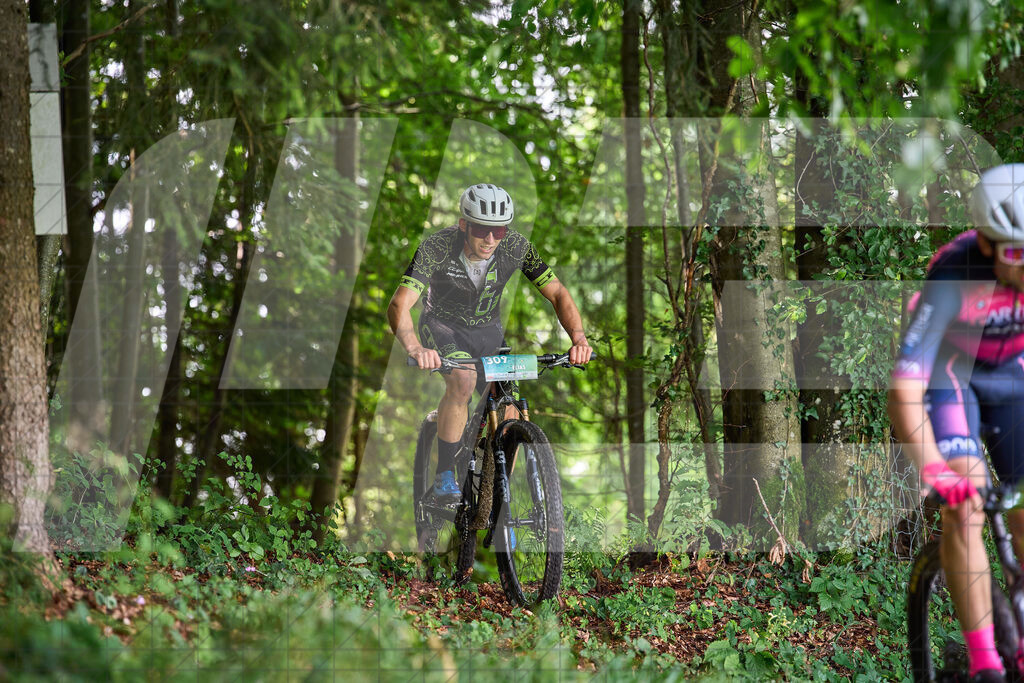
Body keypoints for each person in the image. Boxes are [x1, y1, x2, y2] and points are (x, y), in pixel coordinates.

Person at [889, 164, 1024, 682]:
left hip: (1014, 378)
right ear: (986, 242)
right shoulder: (952, 275)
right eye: (1015, 253)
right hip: (953, 379)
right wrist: (936, 471)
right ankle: (985, 663)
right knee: (965, 506)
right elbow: (905, 390)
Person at [388, 183, 591, 505]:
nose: (491, 239)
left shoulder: (516, 246)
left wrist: (578, 339)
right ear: (464, 225)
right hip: (443, 326)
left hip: (488, 331)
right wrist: (415, 348)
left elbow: (557, 293)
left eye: (499, 231)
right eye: (482, 230)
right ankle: (444, 475)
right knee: (464, 379)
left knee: (510, 403)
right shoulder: (436, 247)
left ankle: (495, 491)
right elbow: (400, 304)